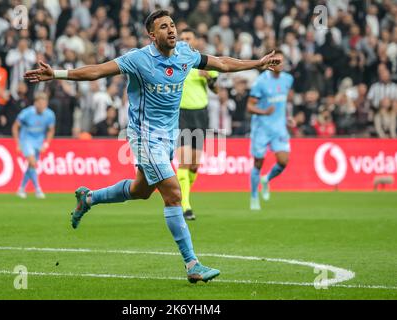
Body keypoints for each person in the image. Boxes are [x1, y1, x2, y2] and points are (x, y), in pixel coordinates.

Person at [24, 10, 280, 283]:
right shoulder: (138, 59)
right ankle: (192, 263)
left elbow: (221, 63)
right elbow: (97, 71)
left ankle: (88, 198)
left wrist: (258, 63)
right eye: (163, 27)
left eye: (172, 26)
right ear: (152, 34)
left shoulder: (185, 54)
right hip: (144, 136)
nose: (171, 31)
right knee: (173, 193)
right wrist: (57, 74)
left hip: (168, 136)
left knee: (141, 190)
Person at [176, 28, 218, 221]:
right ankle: (184, 205)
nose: (185, 41)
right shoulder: (175, 60)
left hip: (201, 115)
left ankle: (184, 197)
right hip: (182, 114)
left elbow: (216, 89)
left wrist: (208, 78)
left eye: (188, 38)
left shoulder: (204, 61)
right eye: (182, 38)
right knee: (184, 160)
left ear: (195, 41)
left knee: (194, 165)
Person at [247, 50, 294, 210]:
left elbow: (285, 102)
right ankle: (254, 197)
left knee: (283, 161)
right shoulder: (260, 82)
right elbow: (249, 106)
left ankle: (266, 179)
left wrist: (288, 117)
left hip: (279, 128)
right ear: (270, 63)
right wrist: (264, 112)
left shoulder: (288, 79)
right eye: (276, 61)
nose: (279, 64)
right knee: (258, 163)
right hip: (262, 128)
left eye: (281, 61)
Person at [12, 92, 55, 199]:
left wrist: (46, 143)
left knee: (31, 165)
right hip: (26, 140)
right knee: (32, 163)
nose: (42, 106)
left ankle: (21, 188)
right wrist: (18, 143)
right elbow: (15, 127)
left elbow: (51, 130)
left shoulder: (50, 114)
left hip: (39, 142)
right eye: (40, 103)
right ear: (35, 103)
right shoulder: (26, 113)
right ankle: (38, 189)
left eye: (44, 104)